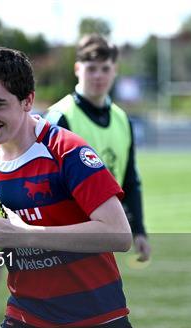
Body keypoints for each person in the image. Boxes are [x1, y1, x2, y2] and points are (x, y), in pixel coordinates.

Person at [0, 47, 139, 328]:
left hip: (94, 324)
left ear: (27, 100)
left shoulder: (67, 151)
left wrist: (24, 233)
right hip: (26, 323)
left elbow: (120, 234)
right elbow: (3, 251)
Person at [45, 34, 151, 264]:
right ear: (77, 68)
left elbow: (130, 179)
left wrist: (139, 229)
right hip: (64, 239)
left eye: (105, 68)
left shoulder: (123, 119)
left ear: (115, 70)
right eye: (91, 68)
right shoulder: (59, 117)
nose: (98, 75)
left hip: (104, 235)